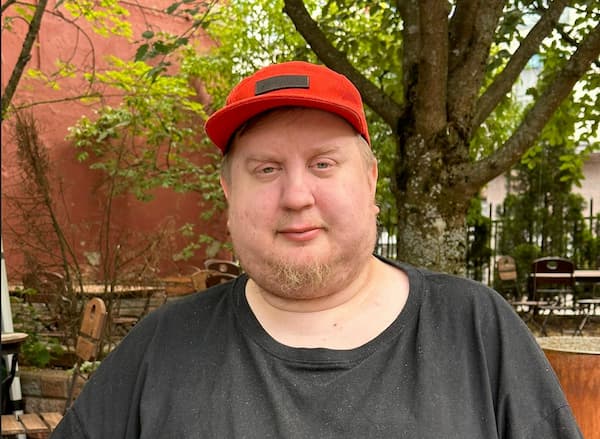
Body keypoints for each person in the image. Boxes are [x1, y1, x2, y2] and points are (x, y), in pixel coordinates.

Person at [51, 61, 582, 438]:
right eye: (266, 169)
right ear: (229, 194)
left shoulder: (476, 329)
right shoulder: (161, 346)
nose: (297, 196)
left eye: (323, 164)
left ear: (371, 181)